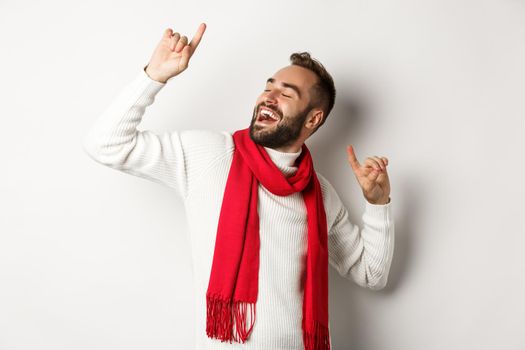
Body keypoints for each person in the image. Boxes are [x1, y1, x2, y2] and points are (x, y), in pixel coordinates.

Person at [82, 23, 394, 350]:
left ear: (313, 119)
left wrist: (378, 204)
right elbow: (105, 145)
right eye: (268, 87)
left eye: (286, 94)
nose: (268, 98)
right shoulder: (211, 155)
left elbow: (372, 274)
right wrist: (153, 77)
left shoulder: (320, 195)